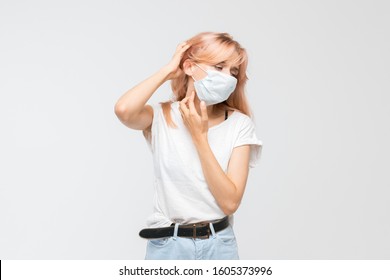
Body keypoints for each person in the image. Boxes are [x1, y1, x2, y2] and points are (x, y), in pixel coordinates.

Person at [114, 31, 262, 260]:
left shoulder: (239, 125)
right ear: (190, 67)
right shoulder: (162, 116)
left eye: (233, 72)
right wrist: (168, 71)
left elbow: (230, 202)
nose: (228, 77)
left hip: (219, 246)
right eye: (219, 66)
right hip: (168, 247)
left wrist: (199, 137)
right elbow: (124, 110)